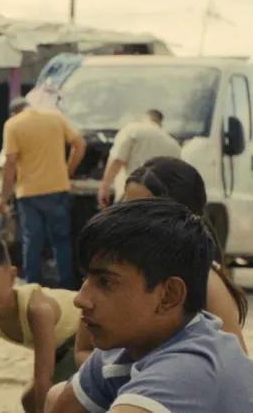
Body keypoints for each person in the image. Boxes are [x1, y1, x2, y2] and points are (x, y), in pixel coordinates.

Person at [49, 199, 253, 413]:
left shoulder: (190, 369)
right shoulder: (129, 344)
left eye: (106, 282)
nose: (80, 299)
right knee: (54, 395)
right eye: (85, 278)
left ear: (168, 296)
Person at [73, 156, 247, 364]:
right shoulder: (112, 269)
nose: (127, 221)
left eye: (143, 211)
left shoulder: (205, 282)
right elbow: (82, 350)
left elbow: (236, 368)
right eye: (127, 207)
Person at [0, 235, 79, 413]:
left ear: (12, 276)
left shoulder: (37, 309)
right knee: (29, 400)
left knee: (58, 402)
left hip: (87, 333)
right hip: (61, 348)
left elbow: (44, 377)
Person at [0, 98, 86, 289]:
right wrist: (68, 170)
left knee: (32, 241)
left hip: (28, 193)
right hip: (57, 189)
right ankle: (67, 286)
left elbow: (10, 162)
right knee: (61, 241)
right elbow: (80, 144)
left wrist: (3, 198)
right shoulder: (56, 118)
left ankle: (32, 285)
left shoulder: (12, 125)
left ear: (13, 113)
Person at [97, 109, 180, 208]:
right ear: (160, 122)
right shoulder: (173, 144)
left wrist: (104, 187)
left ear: (144, 118)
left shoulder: (133, 129)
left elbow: (117, 159)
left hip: (130, 198)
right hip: (158, 205)